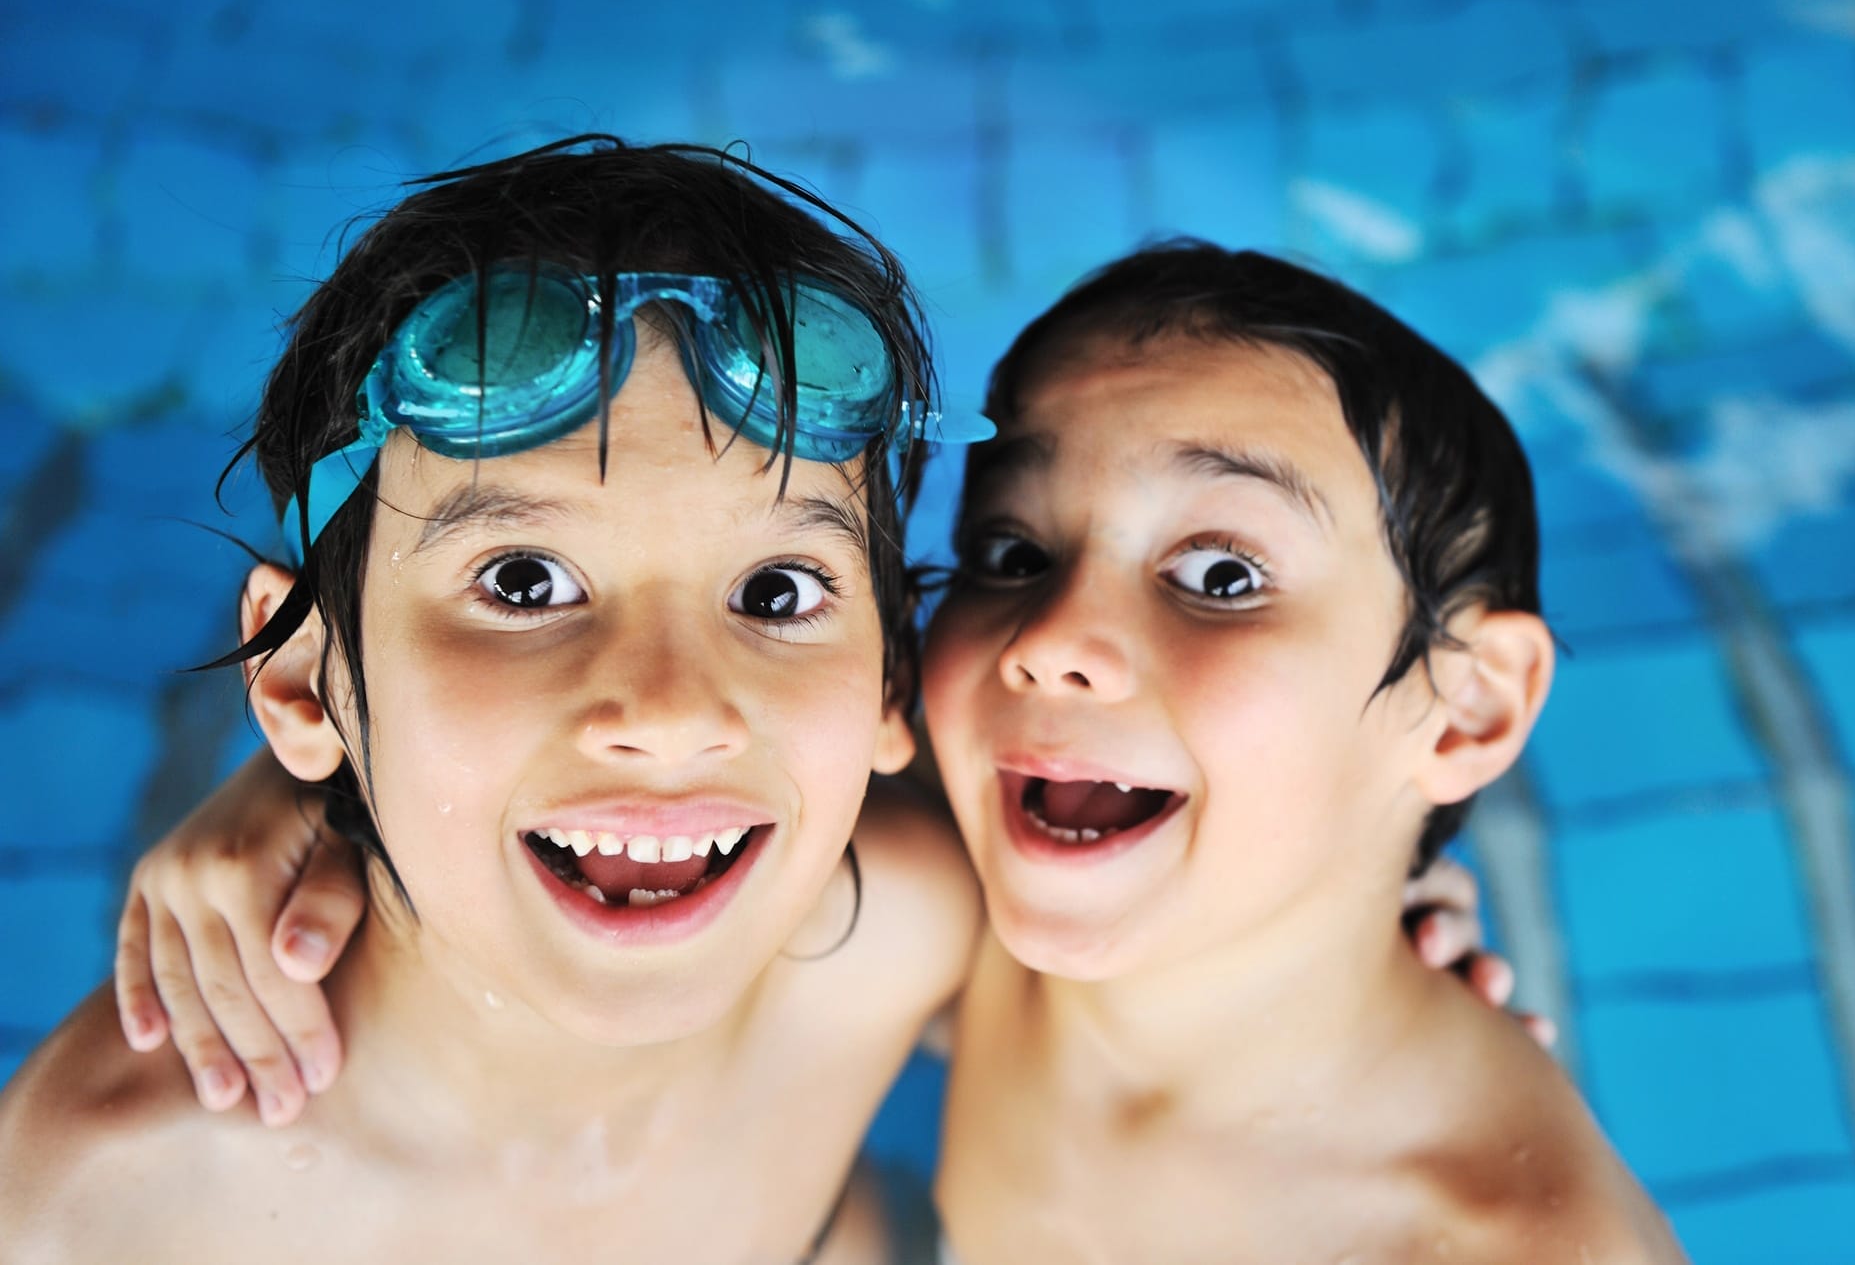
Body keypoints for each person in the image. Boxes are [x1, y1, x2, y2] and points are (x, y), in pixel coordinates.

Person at [0, 136, 994, 1264]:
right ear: (298, 684)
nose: (669, 712)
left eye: (774, 590)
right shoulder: (108, 1205)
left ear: (887, 681)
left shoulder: (899, 939)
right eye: (524, 582)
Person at [924, 242, 1685, 1262]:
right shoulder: (948, 872)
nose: (1046, 640)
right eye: (1011, 553)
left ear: (1463, 708)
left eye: (1222, 575)